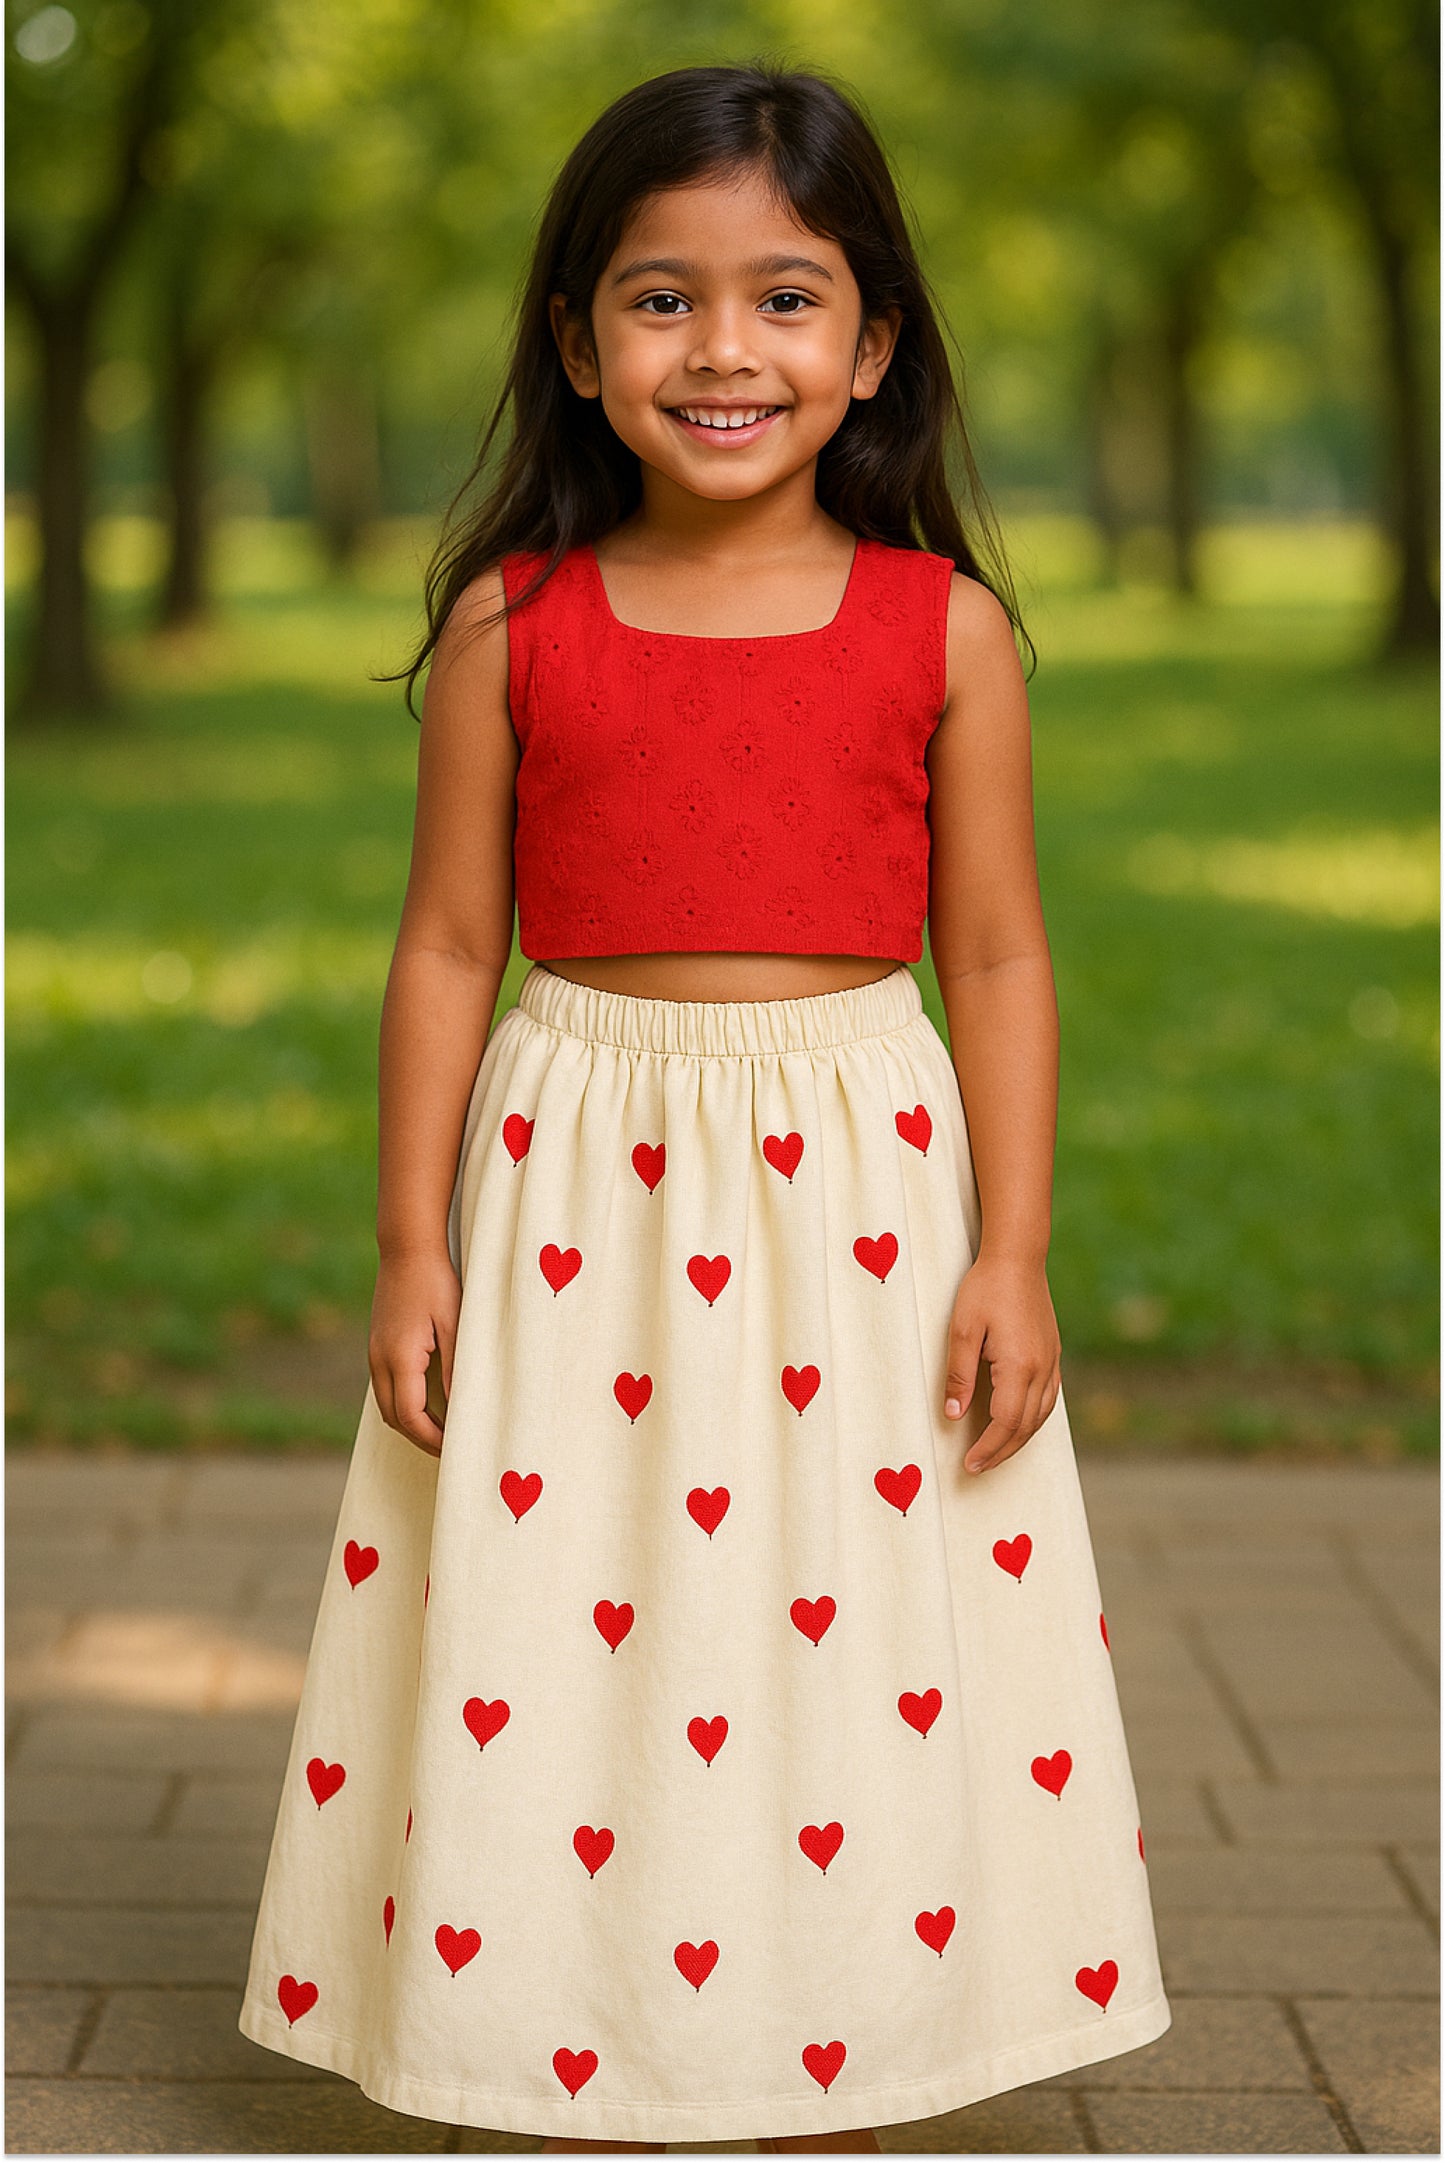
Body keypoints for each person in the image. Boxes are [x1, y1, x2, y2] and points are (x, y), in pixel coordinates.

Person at [237, 59, 1170, 2155]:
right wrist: (411, 1238)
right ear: (576, 345)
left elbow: (1001, 954)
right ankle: (539, 2017)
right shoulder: (512, 622)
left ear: (875, 344)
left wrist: (1011, 1248)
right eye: (662, 299)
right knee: (567, 1602)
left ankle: (843, 2019)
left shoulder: (949, 632)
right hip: (578, 1165)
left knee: (845, 1595)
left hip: (859, 1169)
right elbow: (447, 948)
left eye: (785, 297)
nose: (725, 348)